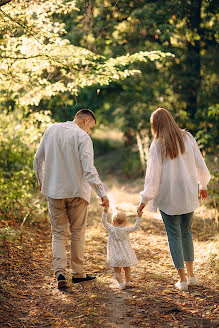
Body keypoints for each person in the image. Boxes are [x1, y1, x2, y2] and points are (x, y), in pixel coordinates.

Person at [33, 109, 109, 289]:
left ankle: (60, 273)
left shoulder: (51, 129)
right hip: (77, 192)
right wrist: (102, 194)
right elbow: (89, 170)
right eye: (90, 126)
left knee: (58, 233)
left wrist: (42, 181)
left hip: (54, 191)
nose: (89, 131)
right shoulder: (83, 137)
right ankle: (78, 273)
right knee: (77, 232)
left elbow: (38, 159)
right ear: (85, 120)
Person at [137, 107, 211, 291]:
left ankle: (183, 280)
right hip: (187, 192)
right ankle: (192, 276)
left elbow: (152, 177)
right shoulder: (187, 137)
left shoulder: (157, 144)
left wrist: (144, 200)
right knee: (186, 233)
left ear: (155, 125)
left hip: (168, 196)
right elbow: (200, 164)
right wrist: (203, 185)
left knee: (174, 235)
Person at [102, 206, 142, 289]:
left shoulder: (111, 229)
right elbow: (136, 227)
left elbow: (104, 222)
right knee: (127, 270)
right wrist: (139, 216)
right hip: (126, 255)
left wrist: (105, 212)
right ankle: (127, 282)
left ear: (113, 222)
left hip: (115, 256)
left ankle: (121, 284)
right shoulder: (126, 229)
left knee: (117, 271)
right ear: (125, 222)